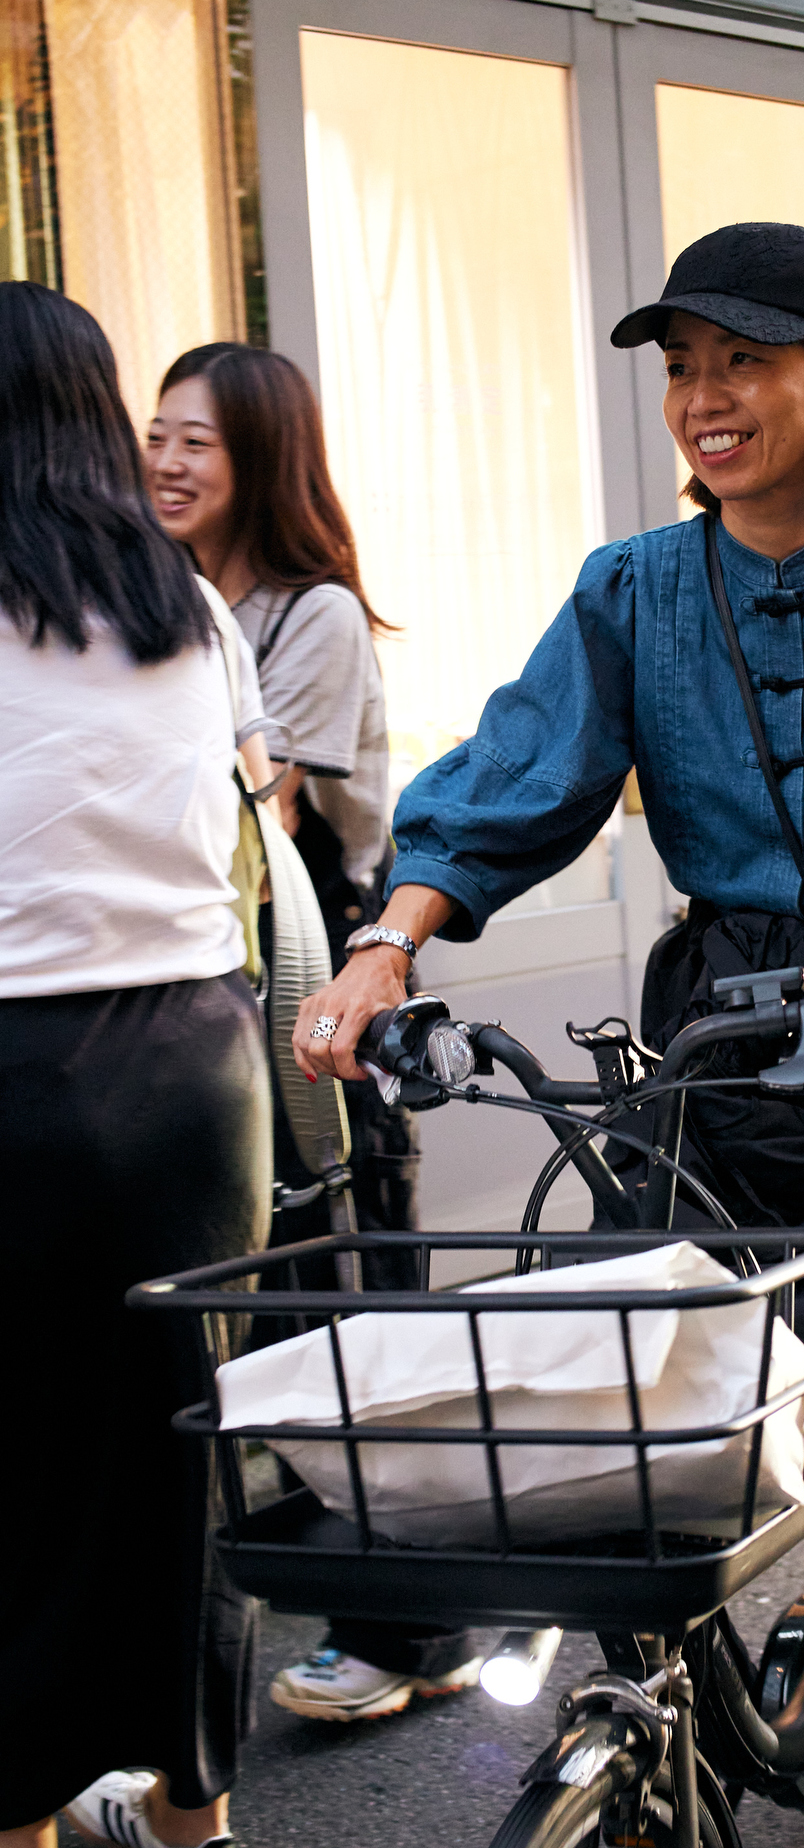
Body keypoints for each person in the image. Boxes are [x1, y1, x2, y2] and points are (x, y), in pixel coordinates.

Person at [290, 221, 804, 1667]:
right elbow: (513, 777)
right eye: (682, 368)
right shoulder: (630, 590)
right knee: (630, 1358)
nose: (703, 398)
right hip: (716, 1044)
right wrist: (384, 947)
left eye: (745, 361)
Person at [144, 344, 481, 1725]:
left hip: (324, 996)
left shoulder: (312, 613)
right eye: (154, 436)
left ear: (262, 464)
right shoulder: (162, 596)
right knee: (284, 1322)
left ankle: (416, 1632)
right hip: (221, 994)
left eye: (197, 446)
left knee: (359, 1313)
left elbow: (264, 810)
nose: (163, 463)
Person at [0, 284, 272, 1848]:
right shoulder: (186, 603)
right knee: (181, 1444)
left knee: (11, 1465)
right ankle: (186, 1814)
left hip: (22, 1076)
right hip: (201, 1069)